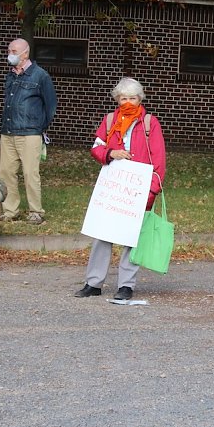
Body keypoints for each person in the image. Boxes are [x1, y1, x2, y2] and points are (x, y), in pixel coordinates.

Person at [75, 78, 166, 300]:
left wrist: (152, 190)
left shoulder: (149, 122)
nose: (128, 102)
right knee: (102, 235)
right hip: (113, 187)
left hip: (138, 188)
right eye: (123, 98)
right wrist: (110, 153)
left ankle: (126, 285)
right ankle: (93, 283)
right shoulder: (109, 121)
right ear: (117, 99)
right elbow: (97, 148)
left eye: (132, 98)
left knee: (130, 238)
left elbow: (159, 158)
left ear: (140, 99)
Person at [0, 38, 57, 224]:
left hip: (30, 133)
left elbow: (50, 106)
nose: (10, 54)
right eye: (9, 50)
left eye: (14, 51)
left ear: (25, 54)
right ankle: (10, 211)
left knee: (30, 173)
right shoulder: (10, 75)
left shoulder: (40, 76)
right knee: (6, 173)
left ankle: (36, 212)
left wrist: (39, 127)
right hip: (8, 132)